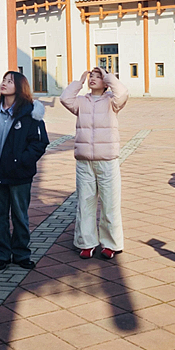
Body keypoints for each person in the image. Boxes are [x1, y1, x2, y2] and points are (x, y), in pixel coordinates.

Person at [0, 71, 49, 270]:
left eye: (10, 81)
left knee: (20, 216)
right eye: (4, 80)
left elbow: (39, 143)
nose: (4, 83)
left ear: (20, 87)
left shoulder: (30, 113)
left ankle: (22, 254)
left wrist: (22, 161)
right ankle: (1, 254)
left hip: (19, 174)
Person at [60, 67, 129, 259]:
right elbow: (65, 99)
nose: (93, 79)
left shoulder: (112, 102)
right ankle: (86, 242)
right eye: (92, 76)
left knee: (110, 203)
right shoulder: (81, 102)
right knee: (85, 203)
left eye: (98, 77)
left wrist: (108, 76)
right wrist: (79, 82)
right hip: (84, 162)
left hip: (107, 161)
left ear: (106, 82)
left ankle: (111, 244)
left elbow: (123, 93)